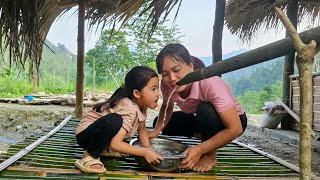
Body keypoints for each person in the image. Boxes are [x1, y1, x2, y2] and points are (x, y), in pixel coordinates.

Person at [148, 43, 247, 172]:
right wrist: (156, 130)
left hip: (233, 121)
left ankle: (210, 155)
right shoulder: (167, 84)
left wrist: (200, 149)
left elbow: (236, 128)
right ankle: (208, 136)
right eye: (165, 73)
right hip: (201, 118)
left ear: (191, 66)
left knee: (205, 109)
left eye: (177, 70)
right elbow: (167, 106)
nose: (172, 78)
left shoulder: (210, 83)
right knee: (164, 124)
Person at [75, 66, 163, 174]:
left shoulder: (141, 106)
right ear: (136, 93)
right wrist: (144, 152)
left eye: (157, 88)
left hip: (98, 134)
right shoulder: (129, 107)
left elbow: (142, 130)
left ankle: (103, 149)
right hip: (86, 135)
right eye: (153, 89)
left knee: (115, 122)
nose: (158, 93)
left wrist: (148, 149)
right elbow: (116, 144)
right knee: (115, 121)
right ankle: (89, 155)